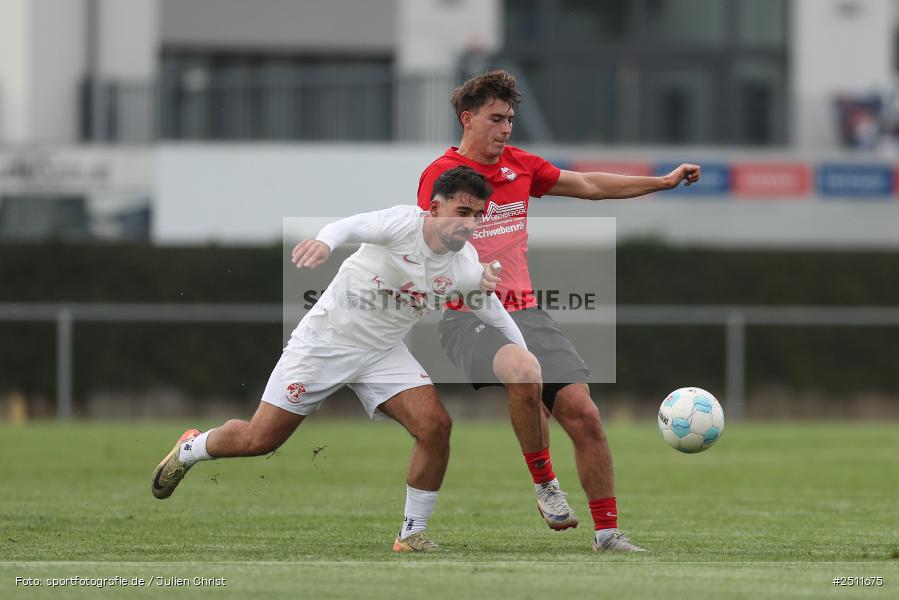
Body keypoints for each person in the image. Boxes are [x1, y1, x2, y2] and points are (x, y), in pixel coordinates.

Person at [151, 166, 531, 553]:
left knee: (436, 427)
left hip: (383, 353)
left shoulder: (465, 264)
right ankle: (190, 449)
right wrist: (325, 243)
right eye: (462, 212)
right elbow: (349, 226)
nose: (469, 224)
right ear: (435, 208)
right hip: (324, 343)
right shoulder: (401, 224)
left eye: (477, 215)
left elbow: (492, 310)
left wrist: (529, 364)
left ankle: (411, 534)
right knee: (260, 439)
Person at [417, 70, 702, 553]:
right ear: (468, 119)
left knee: (583, 413)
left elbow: (588, 183)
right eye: (496, 118)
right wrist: (464, 270)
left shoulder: (521, 166)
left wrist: (662, 181)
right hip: (466, 316)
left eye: (510, 119)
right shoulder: (440, 176)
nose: (506, 128)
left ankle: (608, 535)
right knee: (524, 374)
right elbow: (427, 241)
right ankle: (545, 483)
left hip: (525, 313)